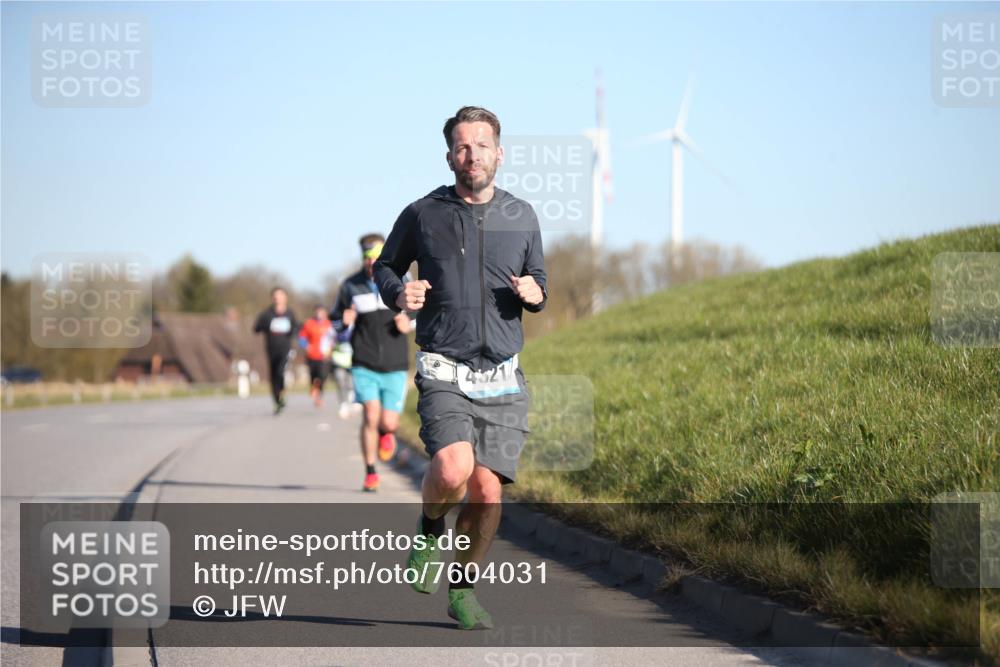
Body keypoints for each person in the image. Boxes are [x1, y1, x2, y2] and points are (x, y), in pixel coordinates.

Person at [374, 106, 547, 630]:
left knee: (488, 492)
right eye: (462, 147)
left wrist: (536, 292)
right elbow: (386, 266)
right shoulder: (422, 213)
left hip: (502, 374)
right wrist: (398, 292)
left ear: (500, 153)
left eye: (482, 145)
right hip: (444, 365)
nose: (473, 155)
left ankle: (463, 590)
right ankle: (430, 528)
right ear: (450, 157)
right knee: (452, 469)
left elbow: (538, 278)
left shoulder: (522, 216)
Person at [331, 234, 415, 492]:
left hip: (395, 363)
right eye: (367, 257)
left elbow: (421, 311)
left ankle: (385, 433)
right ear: (363, 258)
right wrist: (344, 322)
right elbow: (334, 322)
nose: (371, 262)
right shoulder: (350, 286)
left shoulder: (402, 279)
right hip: (364, 362)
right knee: (370, 415)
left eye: (376, 256)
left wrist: (409, 322)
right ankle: (370, 472)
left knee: (389, 422)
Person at [253, 287, 299, 415]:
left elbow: (296, 328)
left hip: (285, 348)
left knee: (280, 372)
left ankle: (282, 393)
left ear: (285, 298)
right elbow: (256, 328)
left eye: (280, 296)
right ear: (272, 298)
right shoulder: (267, 314)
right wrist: (266, 325)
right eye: (275, 296)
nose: (278, 299)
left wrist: (294, 333)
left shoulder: (290, 313)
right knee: (273, 375)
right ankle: (277, 401)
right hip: (271, 349)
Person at [298, 305, 334, 408]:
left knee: (322, 375)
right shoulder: (309, 323)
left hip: (324, 356)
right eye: (318, 311)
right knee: (314, 376)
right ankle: (314, 390)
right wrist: (306, 346)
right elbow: (302, 338)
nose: (319, 314)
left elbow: (334, 339)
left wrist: (331, 350)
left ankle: (319, 396)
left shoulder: (329, 324)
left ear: (325, 313)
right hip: (312, 355)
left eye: (321, 312)